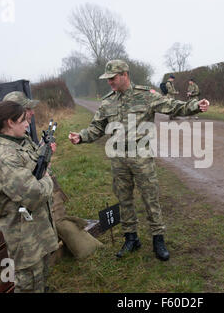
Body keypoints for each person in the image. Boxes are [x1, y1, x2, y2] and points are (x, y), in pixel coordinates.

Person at [68, 59, 210, 261]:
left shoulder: (145, 96)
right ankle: (131, 238)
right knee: (124, 199)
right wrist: (81, 136)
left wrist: (196, 105)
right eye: (107, 79)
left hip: (141, 156)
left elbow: (172, 106)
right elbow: (96, 127)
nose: (110, 82)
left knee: (150, 197)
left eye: (113, 78)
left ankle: (158, 240)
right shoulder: (108, 101)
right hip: (118, 158)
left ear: (125, 75)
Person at [0, 101, 58, 293]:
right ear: (10, 123)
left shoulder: (19, 143)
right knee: (29, 284)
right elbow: (34, 194)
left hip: (36, 228)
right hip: (24, 236)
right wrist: (48, 179)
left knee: (41, 277)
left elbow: (32, 169)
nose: (27, 124)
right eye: (23, 120)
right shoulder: (5, 158)